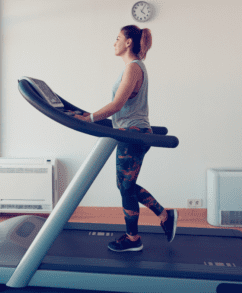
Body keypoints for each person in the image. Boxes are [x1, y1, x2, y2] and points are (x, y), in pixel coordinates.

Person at [74, 25, 178, 252]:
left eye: (118, 38)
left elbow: (117, 104)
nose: (114, 42)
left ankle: (134, 239)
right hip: (130, 133)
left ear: (128, 42)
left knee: (125, 187)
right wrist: (87, 117)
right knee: (125, 186)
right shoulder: (133, 68)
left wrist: (89, 118)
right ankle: (163, 215)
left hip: (133, 135)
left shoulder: (133, 68)